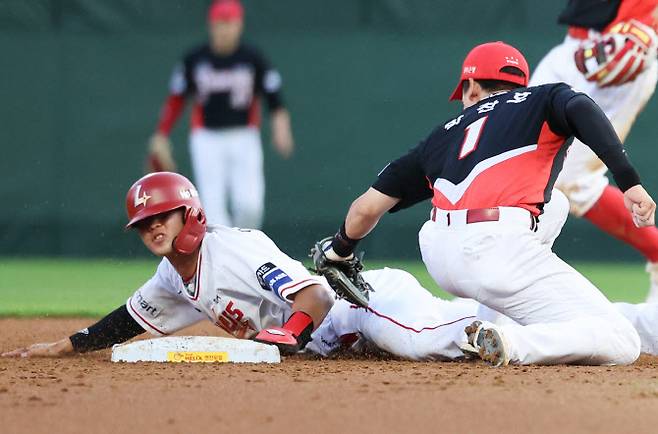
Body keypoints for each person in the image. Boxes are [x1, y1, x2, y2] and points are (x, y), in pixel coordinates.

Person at [319, 41, 656, 367]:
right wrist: (627, 180)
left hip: (441, 251)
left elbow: (365, 208)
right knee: (622, 340)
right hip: (498, 249)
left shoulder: (441, 136)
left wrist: (340, 250)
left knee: (556, 204)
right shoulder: (541, 98)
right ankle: (512, 339)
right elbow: (580, 107)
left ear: (474, 87)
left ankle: (487, 319)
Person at [0, 172, 480, 362]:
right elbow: (128, 319)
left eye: (159, 216)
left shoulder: (233, 249)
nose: (151, 229)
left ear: (189, 214)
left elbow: (317, 296)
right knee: (421, 340)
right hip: (338, 342)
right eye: (143, 223)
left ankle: (507, 329)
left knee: (419, 340)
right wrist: (67, 346)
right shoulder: (173, 275)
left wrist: (287, 334)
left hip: (361, 306)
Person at [529, 0, 658, 301]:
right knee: (516, 150)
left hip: (623, 51)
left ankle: (497, 289)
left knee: (564, 180)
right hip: (571, 47)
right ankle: (488, 285)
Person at [147, 0, 294, 229]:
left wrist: (281, 128)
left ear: (239, 25)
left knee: (250, 206)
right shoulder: (195, 58)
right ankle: (222, 260)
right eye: (220, 23)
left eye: (230, 23)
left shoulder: (252, 57)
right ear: (211, 25)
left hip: (244, 135)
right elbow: (176, 99)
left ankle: (246, 254)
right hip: (206, 138)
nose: (225, 29)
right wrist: (161, 133)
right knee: (213, 210)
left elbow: (274, 100)